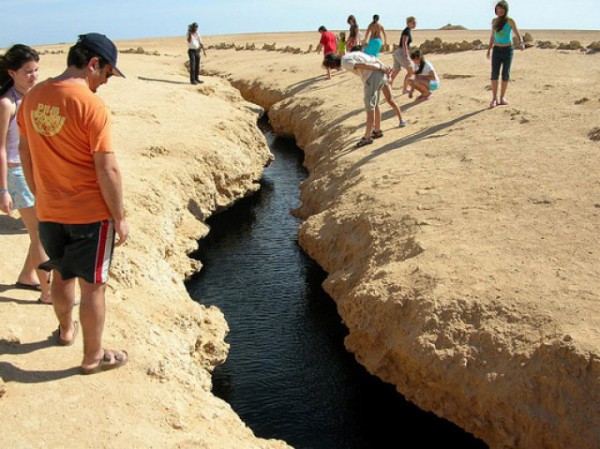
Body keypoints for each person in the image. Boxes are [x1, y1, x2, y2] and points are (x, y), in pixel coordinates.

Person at [17, 33, 129, 374]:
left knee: (62, 276)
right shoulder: (90, 104)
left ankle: (66, 331)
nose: (106, 82)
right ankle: (93, 357)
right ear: (93, 64)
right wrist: (120, 217)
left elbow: (24, 150)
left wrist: (39, 191)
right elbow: (106, 167)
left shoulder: (33, 96)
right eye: (107, 74)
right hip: (90, 214)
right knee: (93, 287)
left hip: (49, 211)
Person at [0, 44, 52, 304]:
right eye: (28, 72)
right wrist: (3, 191)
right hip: (16, 174)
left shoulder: (32, 98)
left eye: (36, 71)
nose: (34, 76)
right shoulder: (6, 103)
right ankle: (48, 292)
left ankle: (27, 275)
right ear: (12, 73)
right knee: (41, 233)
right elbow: (0, 149)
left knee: (37, 230)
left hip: (34, 170)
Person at [322, 51, 406, 148]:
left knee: (369, 108)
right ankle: (377, 130)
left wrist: (381, 68)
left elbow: (362, 65)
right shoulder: (351, 54)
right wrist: (383, 68)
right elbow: (372, 58)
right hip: (380, 75)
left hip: (372, 76)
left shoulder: (344, 62)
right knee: (375, 104)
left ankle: (367, 137)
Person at [487, 0, 525, 108]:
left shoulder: (510, 21)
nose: (500, 11)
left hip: (508, 50)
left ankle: (502, 97)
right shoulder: (494, 21)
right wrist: (489, 49)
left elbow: (518, 33)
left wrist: (521, 42)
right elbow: (492, 36)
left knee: (505, 74)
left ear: (505, 10)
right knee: (494, 74)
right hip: (497, 50)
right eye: (498, 9)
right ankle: (494, 98)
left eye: (502, 9)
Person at [390, 16, 417, 93]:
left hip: (397, 52)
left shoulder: (407, 30)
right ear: (409, 23)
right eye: (413, 23)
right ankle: (405, 89)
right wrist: (406, 54)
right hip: (401, 52)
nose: (415, 24)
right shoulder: (407, 31)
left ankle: (388, 89)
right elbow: (404, 43)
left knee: (396, 71)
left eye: (415, 23)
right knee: (410, 71)